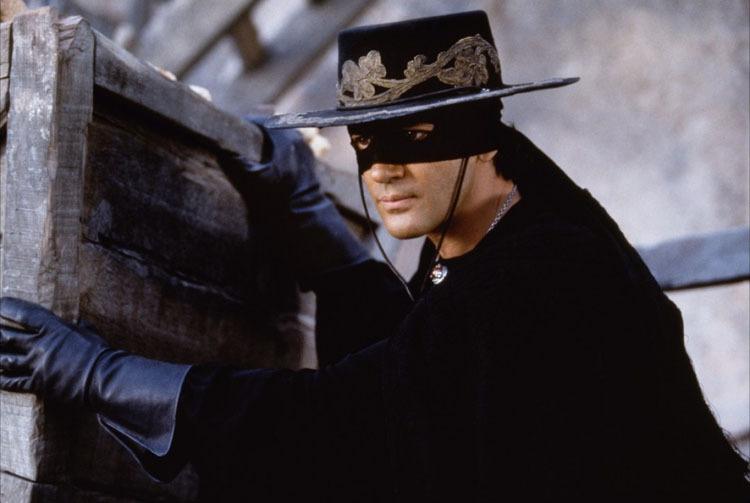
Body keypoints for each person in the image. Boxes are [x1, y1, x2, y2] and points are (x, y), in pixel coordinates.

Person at [1, 10, 748, 502]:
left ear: (481, 134)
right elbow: (432, 359)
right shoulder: (498, 209)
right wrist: (314, 232)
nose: (383, 171)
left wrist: (100, 375)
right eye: (364, 143)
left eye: (414, 139)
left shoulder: (546, 269)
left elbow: (354, 419)